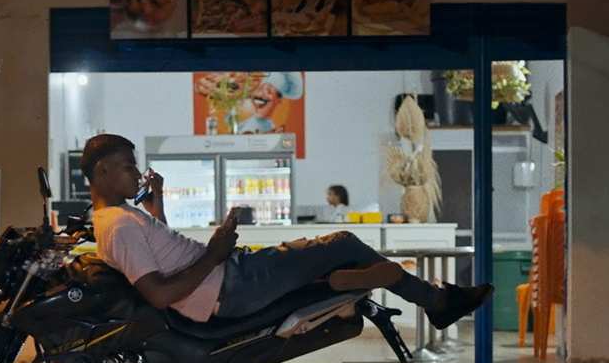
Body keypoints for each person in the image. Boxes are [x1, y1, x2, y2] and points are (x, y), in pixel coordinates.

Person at [84, 133, 491, 325]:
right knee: (343, 242)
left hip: (231, 275)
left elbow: (164, 257)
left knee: (320, 252)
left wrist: (156, 204)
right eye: (128, 166)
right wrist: (215, 253)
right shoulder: (119, 225)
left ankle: (335, 280)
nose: (136, 173)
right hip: (231, 283)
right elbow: (158, 294)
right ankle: (434, 301)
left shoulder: (120, 217)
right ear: (102, 171)